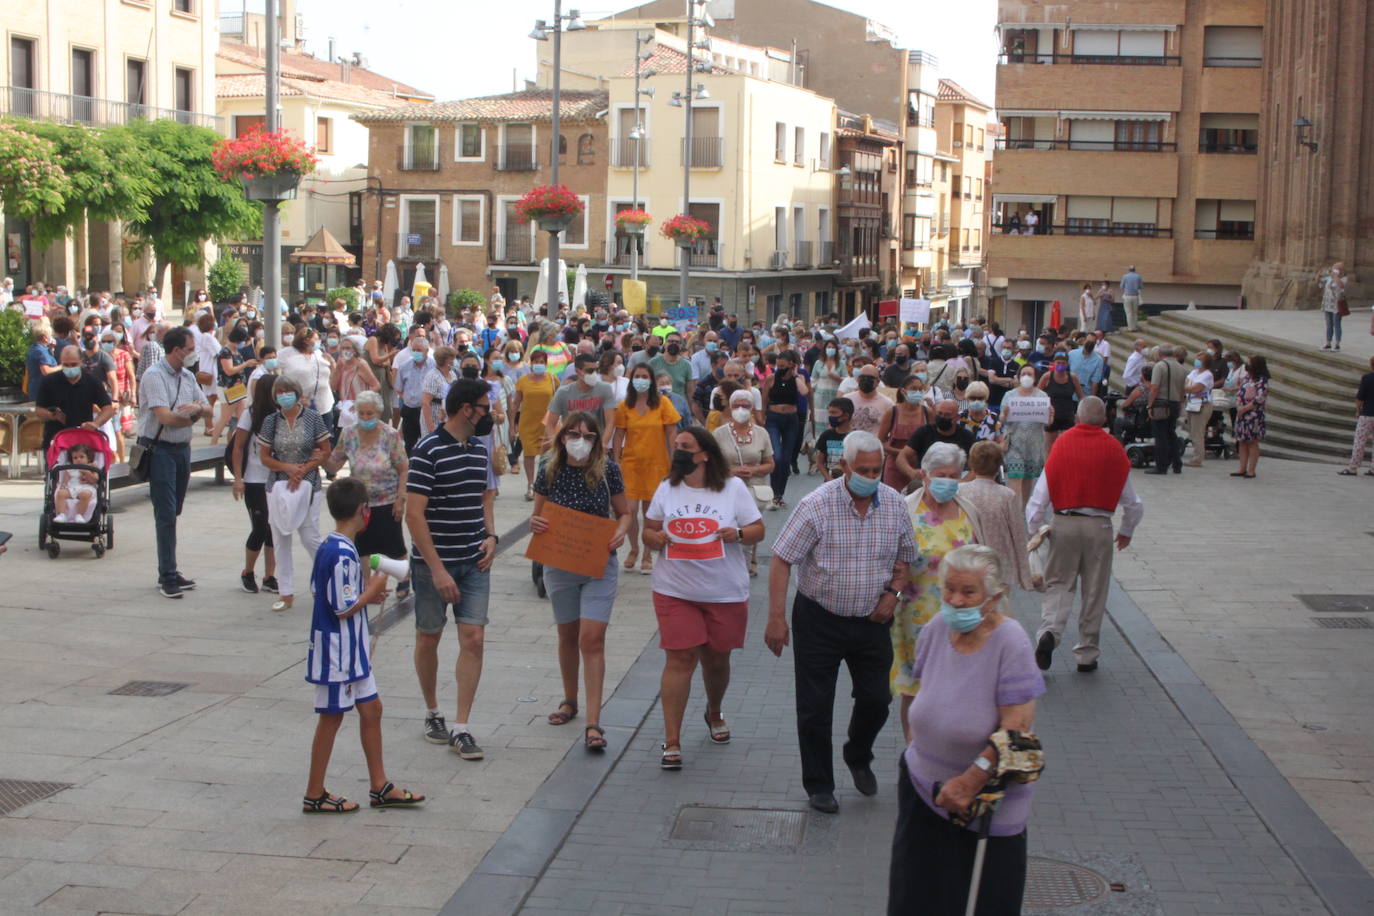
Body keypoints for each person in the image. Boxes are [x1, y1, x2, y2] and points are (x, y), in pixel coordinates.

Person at [887, 544, 1046, 916]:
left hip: (982, 806)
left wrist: (968, 781)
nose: (956, 601)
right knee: (914, 901)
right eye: (950, 589)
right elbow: (924, 699)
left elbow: (1017, 732)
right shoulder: (935, 630)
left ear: (993, 596)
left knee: (977, 904)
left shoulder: (1011, 642)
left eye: (968, 592)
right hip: (922, 792)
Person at [765, 430, 918, 814]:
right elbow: (782, 558)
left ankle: (858, 752)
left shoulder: (896, 505)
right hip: (819, 618)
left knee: (877, 698)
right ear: (845, 466)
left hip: (872, 619)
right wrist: (776, 619)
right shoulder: (816, 505)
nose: (870, 475)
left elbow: (905, 558)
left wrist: (894, 593)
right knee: (815, 705)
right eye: (862, 469)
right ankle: (819, 784)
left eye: (876, 469)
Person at [640, 428, 764, 769]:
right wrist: (656, 539)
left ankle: (713, 710)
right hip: (675, 590)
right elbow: (648, 530)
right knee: (680, 659)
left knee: (716, 659)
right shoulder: (667, 488)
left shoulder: (732, 488)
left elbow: (757, 529)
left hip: (724, 591)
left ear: (705, 454)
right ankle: (672, 740)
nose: (678, 451)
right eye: (676, 446)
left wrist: (736, 533)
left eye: (686, 447)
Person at [302, 477, 425, 814]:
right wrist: (370, 593)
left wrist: (366, 596)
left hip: (351, 652)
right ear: (362, 511)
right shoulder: (342, 553)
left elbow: (332, 597)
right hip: (338, 654)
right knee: (332, 718)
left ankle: (380, 785)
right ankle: (314, 792)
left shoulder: (333, 546)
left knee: (372, 709)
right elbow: (341, 607)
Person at [406, 379, 499, 761]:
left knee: (473, 639)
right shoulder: (427, 450)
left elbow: (485, 496)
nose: (488, 413)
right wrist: (438, 570)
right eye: (483, 406)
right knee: (429, 637)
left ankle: (461, 726)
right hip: (434, 565)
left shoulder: (479, 449)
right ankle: (433, 711)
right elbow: (414, 515)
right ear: (466, 409)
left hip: (474, 560)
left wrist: (492, 535)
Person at [531, 412, 633, 752]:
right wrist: (537, 525)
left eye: (588, 436)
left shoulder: (608, 470)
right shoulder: (549, 468)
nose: (580, 440)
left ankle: (593, 721)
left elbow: (625, 512)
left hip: (598, 562)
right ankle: (569, 700)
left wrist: (620, 533)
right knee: (567, 635)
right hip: (560, 561)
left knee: (592, 638)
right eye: (573, 433)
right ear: (562, 436)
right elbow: (538, 513)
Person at [1028, 397, 1144, 672]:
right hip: (1099, 526)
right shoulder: (1115, 449)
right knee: (1094, 589)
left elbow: (1039, 497)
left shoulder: (1062, 444)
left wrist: (1034, 529)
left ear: (1078, 419)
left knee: (1058, 583)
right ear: (1104, 420)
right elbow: (1134, 503)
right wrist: (1126, 530)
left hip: (1064, 523)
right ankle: (1087, 653)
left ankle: (1050, 632)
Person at [894, 442, 985, 737]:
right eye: (941, 474)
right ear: (924, 474)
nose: (948, 481)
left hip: (961, 619)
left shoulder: (969, 511)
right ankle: (915, 754)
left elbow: (985, 562)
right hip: (914, 619)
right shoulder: (905, 509)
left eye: (954, 475)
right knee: (915, 691)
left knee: (958, 690)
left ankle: (947, 750)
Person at [136, 327, 210, 598]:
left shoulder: (188, 376)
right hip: (160, 450)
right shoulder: (154, 375)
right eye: (190, 349)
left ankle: (169, 568)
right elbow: (164, 417)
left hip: (182, 449)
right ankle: (167, 574)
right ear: (177, 350)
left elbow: (210, 407)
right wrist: (193, 416)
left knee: (174, 509)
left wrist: (198, 409)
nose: (193, 353)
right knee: (165, 513)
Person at [258, 375, 332, 613]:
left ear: (297, 393)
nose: (283, 396)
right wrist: (288, 469)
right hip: (278, 484)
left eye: (287, 391)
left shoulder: (312, 418)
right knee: (280, 538)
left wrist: (302, 471)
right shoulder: (271, 421)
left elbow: (325, 450)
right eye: (279, 392)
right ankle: (286, 592)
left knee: (310, 535)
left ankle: (327, 583)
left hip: (308, 482)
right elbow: (265, 456)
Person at [325, 390, 410, 574]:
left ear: (379, 413)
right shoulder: (349, 434)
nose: (365, 417)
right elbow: (334, 465)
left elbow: (403, 469)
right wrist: (323, 456)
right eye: (361, 413)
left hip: (387, 501)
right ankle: (365, 584)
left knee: (395, 547)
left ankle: (403, 580)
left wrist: (401, 499)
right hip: (359, 504)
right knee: (361, 548)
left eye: (369, 413)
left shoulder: (390, 435)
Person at [612, 363, 682, 574]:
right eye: (637, 376)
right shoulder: (625, 406)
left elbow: (671, 433)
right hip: (631, 465)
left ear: (651, 380)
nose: (641, 379)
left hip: (657, 464)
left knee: (651, 513)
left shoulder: (663, 403)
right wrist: (616, 460)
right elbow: (619, 435)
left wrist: (674, 459)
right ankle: (633, 548)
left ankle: (647, 553)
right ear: (631, 380)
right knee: (629, 511)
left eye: (644, 376)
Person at [714, 389, 775, 577]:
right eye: (737, 405)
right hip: (726, 488)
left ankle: (746, 566)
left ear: (752, 408)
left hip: (753, 489)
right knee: (731, 526)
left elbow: (770, 464)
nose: (741, 409)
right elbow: (710, 465)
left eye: (746, 406)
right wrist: (731, 472)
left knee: (749, 528)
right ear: (730, 408)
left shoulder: (761, 433)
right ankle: (733, 566)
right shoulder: (719, 434)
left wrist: (754, 470)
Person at [959, 441, 1034, 590]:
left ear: (971, 464)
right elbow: (1018, 535)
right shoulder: (1007, 495)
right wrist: (1025, 577)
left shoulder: (959, 491)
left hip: (965, 560)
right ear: (999, 465)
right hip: (999, 565)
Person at [230, 374, 280, 595]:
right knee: (260, 528)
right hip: (254, 480)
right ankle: (248, 572)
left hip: (277, 480)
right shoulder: (250, 415)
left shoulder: (282, 415)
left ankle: (270, 576)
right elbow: (238, 447)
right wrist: (238, 479)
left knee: (274, 530)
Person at [33, 345, 117, 457]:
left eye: (73, 364)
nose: (70, 368)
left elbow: (108, 409)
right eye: (66, 365)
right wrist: (51, 415)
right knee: (54, 472)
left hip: (83, 440)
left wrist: (95, 423)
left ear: (81, 362)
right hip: (56, 438)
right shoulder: (49, 382)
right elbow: (38, 410)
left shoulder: (92, 382)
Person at [762, 350, 808, 510]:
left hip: (791, 419)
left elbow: (804, 392)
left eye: (782, 366)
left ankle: (779, 495)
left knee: (786, 459)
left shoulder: (798, 378)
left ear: (791, 365)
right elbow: (764, 399)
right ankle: (774, 493)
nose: (779, 368)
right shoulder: (771, 378)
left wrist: (795, 375)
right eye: (777, 365)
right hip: (773, 418)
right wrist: (762, 418)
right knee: (777, 457)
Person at [1000, 366, 1050, 510]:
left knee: (1028, 478)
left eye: (1030, 373)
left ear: (1035, 377)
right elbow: (1002, 419)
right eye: (1023, 373)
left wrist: (1050, 416)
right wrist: (1004, 414)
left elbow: (1047, 422)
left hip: (1034, 444)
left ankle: (1023, 510)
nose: (1026, 376)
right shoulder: (1010, 395)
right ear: (1019, 376)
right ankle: (1013, 510)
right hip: (1014, 442)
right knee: (1015, 476)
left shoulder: (1042, 397)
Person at [543, 352, 617, 449]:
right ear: (578, 371)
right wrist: (557, 445)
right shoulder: (563, 392)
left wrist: (603, 443)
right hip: (570, 445)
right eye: (590, 371)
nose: (594, 374)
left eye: (596, 370)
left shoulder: (605, 389)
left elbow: (610, 421)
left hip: (595, 445)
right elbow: (550, 424)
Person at [513, 349, 558, 500]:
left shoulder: (552, 379)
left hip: (548, 424)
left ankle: (544, 485)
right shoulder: (523, 381)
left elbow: (560, 401)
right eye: (536, 362)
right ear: (531, 363)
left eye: (542, 362)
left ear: (546, 364)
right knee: (529, 454)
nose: (539, 365)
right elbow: (515, 404)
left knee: (548, 456)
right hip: (527, 423)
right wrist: (513, 425)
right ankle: (530, 485)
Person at [896, 399, 976, 480]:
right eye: (940, 413)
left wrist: (962, 484)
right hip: (925, 481)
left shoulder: (967, 437)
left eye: (947, 415)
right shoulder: (924, 432)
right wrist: (911, 472)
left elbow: (975, 469)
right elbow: (901, 457)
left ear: (957, 417)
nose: (942, 417)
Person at [878, 376, 929, 492]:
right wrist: (903, 453)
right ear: (903, 391)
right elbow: (881, 442)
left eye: (920, 389)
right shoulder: (892, 412)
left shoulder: (927, 412)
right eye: (913, 389)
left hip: (920, 467)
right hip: (894, 468)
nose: (917, 392)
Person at [1146, 345, 1188, 475]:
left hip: (1161, 403)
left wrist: (1149, 405)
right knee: (1171, 433)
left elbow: (1154, 388)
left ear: (1160, 353)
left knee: (1160, 435)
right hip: (1175, 403)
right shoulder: (1181, 367)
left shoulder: (1160, 366)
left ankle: (1161, 465)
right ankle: (1177, 463)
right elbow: (1183, 389)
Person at [1232, 355, 1269, 479]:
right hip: (1242, 413)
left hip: (1254, 415)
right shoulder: (1247, 378)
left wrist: (1245, 408)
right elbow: (1239, 393)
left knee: (1252, 442)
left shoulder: (1262, 381)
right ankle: (1242, 468)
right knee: (1242, 441)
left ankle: (1251, 470)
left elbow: (1259, 398)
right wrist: (1238, 405)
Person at [1038, 351, 1083, 452]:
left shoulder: (1073, 378)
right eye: (1058, 363)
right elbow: (1037, 395)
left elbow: (1081, 397)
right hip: (1052, 417)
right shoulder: (1047, 377)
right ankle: (1048, 467)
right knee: (1049, 447)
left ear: (1067, 364)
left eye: (1063, 363)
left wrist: (1079, 414)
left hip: (1068, 416)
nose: (1061, 365)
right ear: (1054, 363)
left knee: (1067, 446)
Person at [1340, 356, 1374, 476]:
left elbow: (1360, 397)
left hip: (1367, 414)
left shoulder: (1367, 378)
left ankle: (1353, 468)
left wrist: (1358, 410)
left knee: (1360, 441)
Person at [1182, 349, 1214, 468]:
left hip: (1201, 405)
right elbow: (1185, 382)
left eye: (1199, 360)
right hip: (1192, 403)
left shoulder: (1207, 375)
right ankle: (1196, 455)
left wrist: (1187, 387)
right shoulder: (1195, 372)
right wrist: (1187, 387)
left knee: (1198, 432)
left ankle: (1198, 458)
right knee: (1193, 431)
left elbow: (1194, 388)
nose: (1197, 361)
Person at [53, 443, 99, 523]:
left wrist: (87, 472)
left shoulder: (92, 467)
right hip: (72, 487)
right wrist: (63, 486)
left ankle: (79, 515)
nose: (78, 459)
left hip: (87, 487)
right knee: (60, 493)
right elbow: (65, 480)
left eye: (81, 457)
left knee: (85, 495)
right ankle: (62, 515)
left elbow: (95, 480)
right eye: (75, 458)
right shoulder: (70, 468)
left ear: (88, 458)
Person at [848, 365, 895, 435]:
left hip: (875, 444)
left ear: (878, 381)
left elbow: (892, 429)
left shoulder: (887, 404)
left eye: (870, 378)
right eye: (862, 378)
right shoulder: (847, 399)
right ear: (857, 380)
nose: (866, 380)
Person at [815, 397, 853, 480]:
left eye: (834, 413)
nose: (830, 416)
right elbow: (820, 462)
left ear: (846, 416)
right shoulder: (826, 435)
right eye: (830, 413)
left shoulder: (856, 437)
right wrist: (828, 479)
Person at [1320, 261, 1347, 351]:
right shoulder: (1329, 278)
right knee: (1329, 325)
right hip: (1328, 304)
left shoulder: (1344, 279)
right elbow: (1320, 283)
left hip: (1336, 305)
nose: (1334, 270)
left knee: (1337, 324)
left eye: (1336, 269)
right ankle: (1328, 343)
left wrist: (1335, 277)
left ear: (1341, 270)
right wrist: (1319, 275)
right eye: (1333, 268)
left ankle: (1337, 344)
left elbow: (1341, 286)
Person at [1120, 266, 1143, 330]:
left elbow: (1121, 286)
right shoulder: (1138, 276)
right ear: (1134, 270)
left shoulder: (1125, 276)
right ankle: (1135, 327)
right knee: (1135, 312)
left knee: (1128, 313)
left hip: (1127, 296)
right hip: (1135, 296)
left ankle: (1130, 328)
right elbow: (1141, 286)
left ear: (1129, 270)